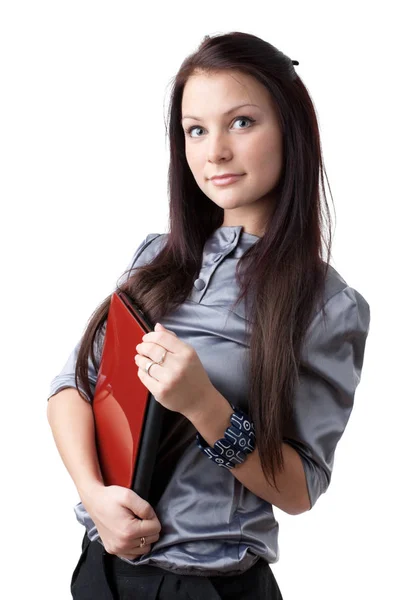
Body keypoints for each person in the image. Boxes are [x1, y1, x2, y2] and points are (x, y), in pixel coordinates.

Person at [46, 31, 371, 600]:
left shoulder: (327, 305)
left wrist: (205, 406)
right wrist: (95, 496)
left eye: (241, 122)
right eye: (196, 129)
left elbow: (300, 489)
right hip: (101, 571)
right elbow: (72, 387)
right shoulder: (156, 257)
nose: (214, 150)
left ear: (291, 130)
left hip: (211, 585)